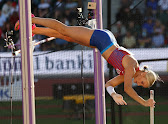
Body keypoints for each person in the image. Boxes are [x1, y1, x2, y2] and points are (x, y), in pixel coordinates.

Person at [15, 16, 159, 108]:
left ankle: (34, 29)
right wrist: (144, 102)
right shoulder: (132, 66)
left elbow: (108, 84)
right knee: (64, 30)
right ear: (143, 74)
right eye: (142, 82)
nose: (138, 83)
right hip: (103, 40)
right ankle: (30, 19)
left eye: (141, 85)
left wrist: (113, 94)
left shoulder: (129, 73)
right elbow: (128, 89)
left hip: (103, 43)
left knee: (67, 37)